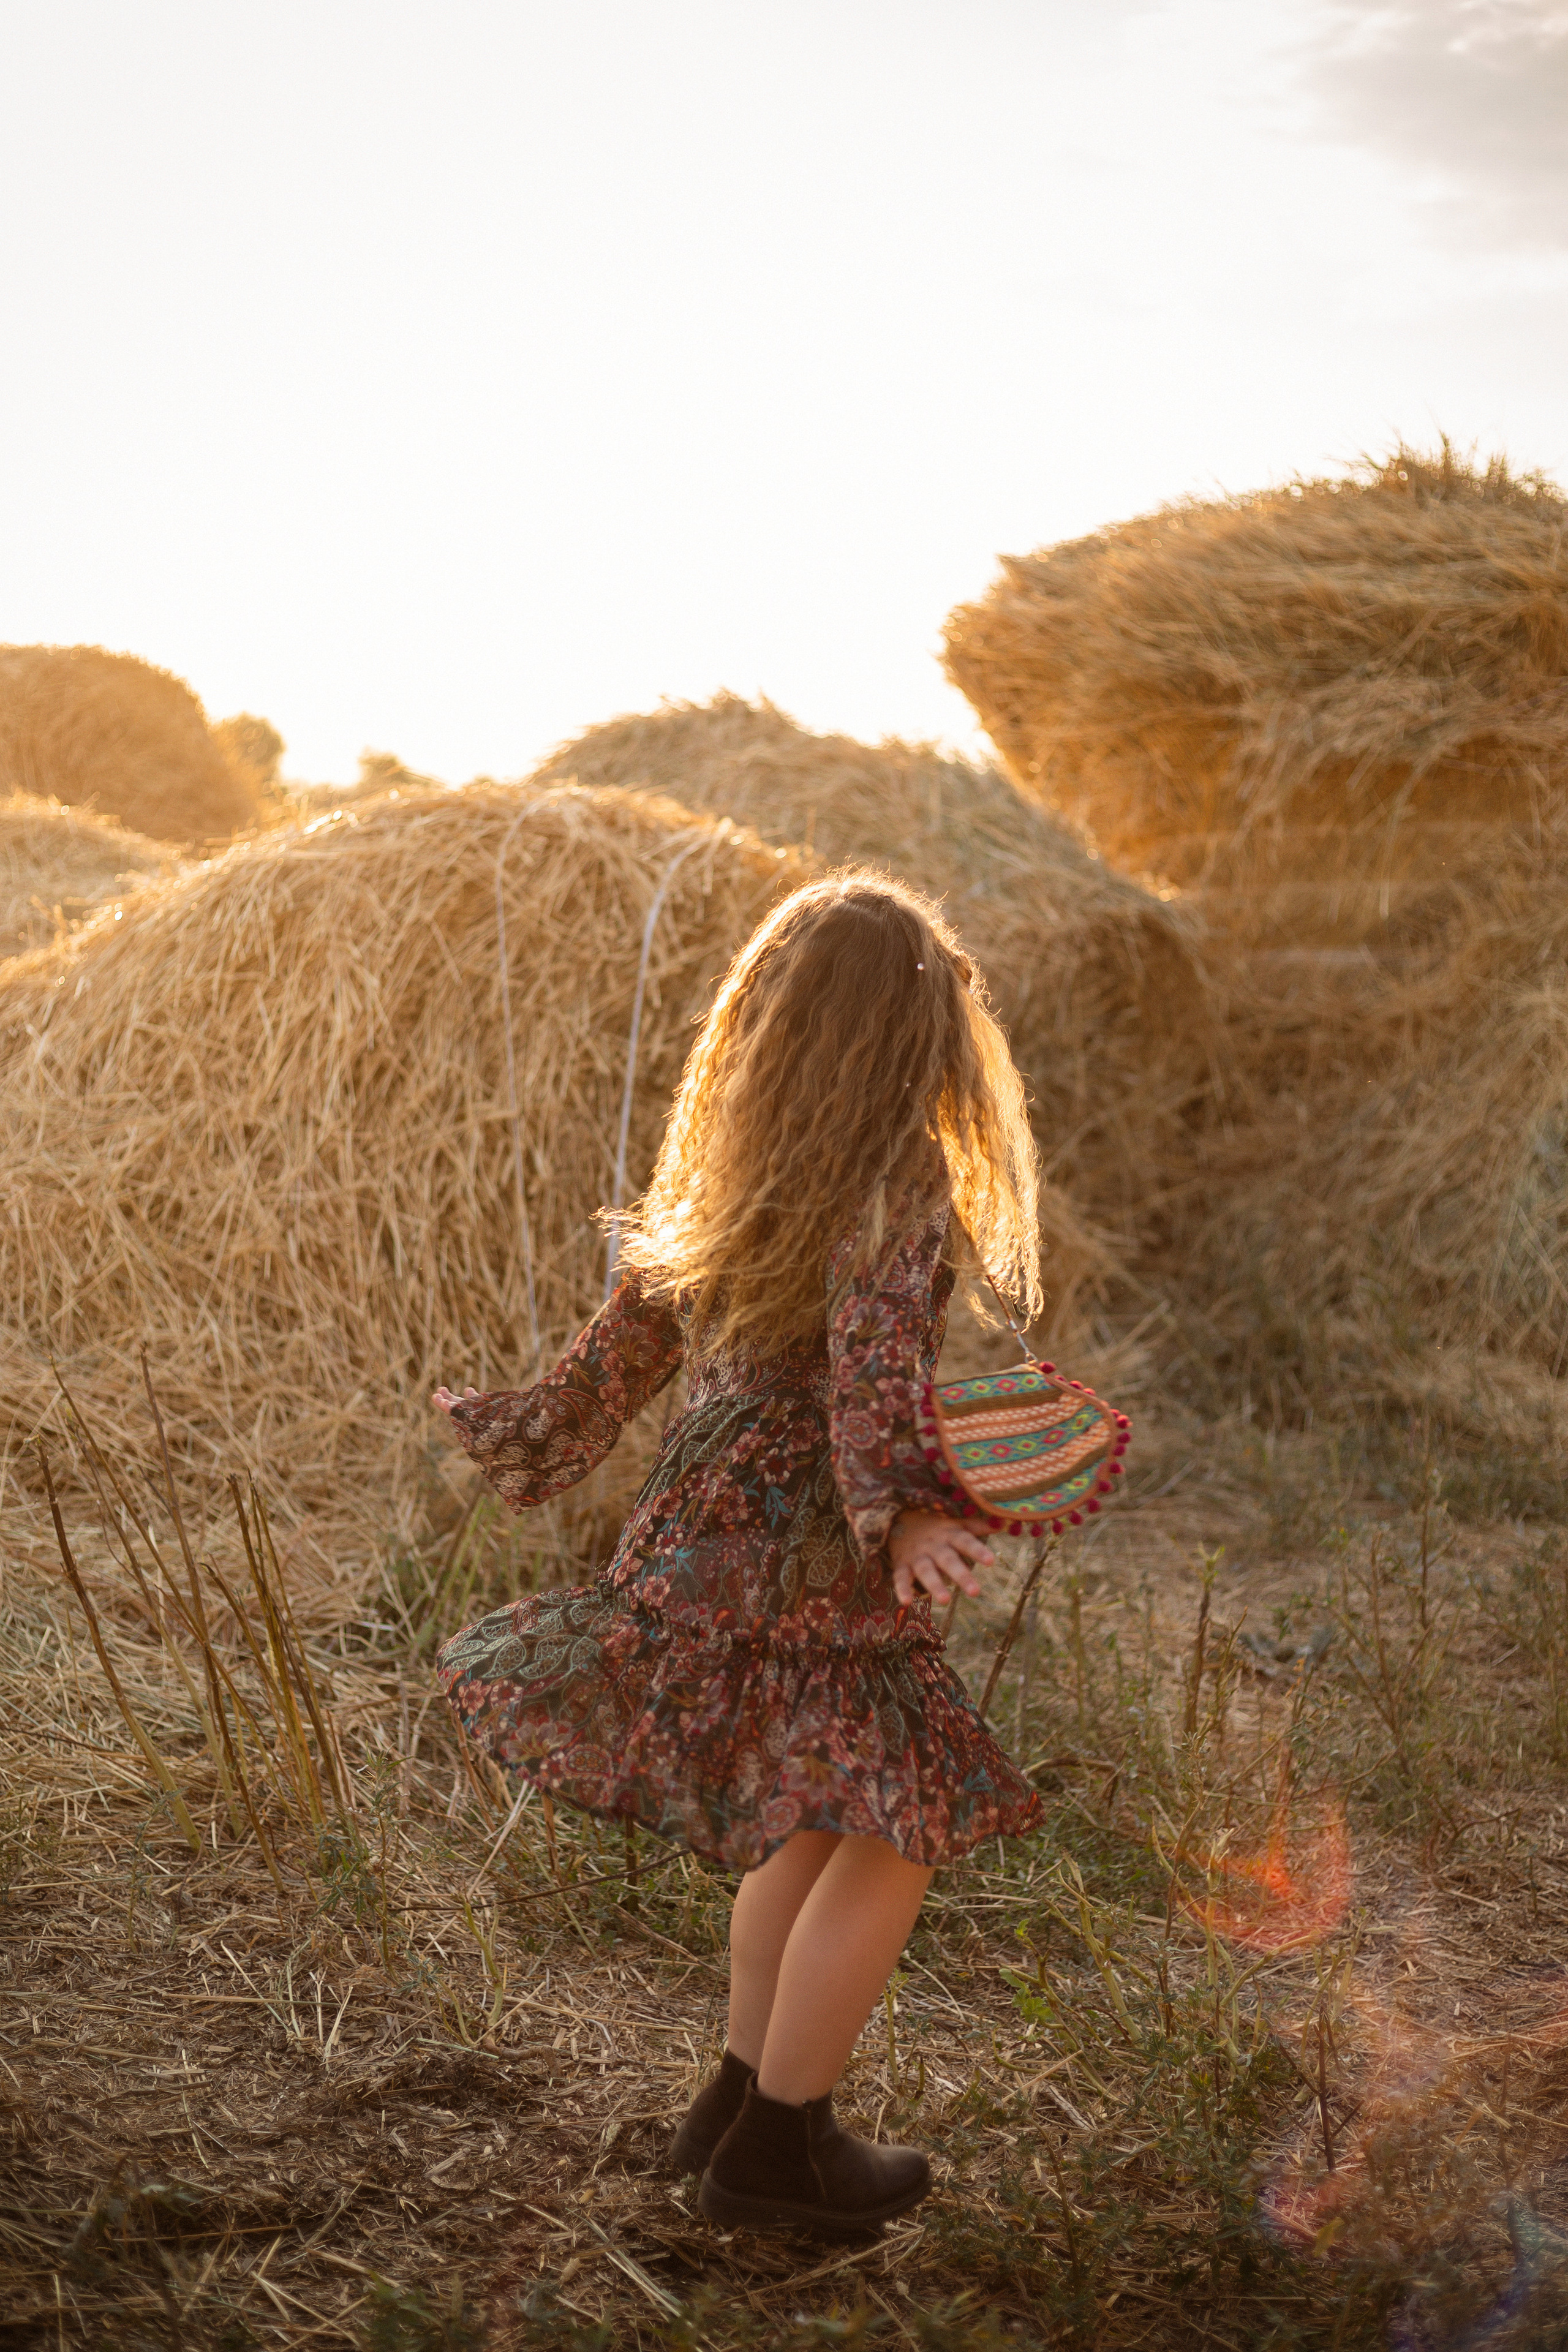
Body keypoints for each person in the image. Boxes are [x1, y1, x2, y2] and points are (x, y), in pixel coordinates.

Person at [432, 872, 1044, 2243]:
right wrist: (904, 1511)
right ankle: (780, 2150)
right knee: (893, 1826)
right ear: (916, 1041)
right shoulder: (900, 1175)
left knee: (821, 1809)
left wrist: (532, 1432)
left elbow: (629, 1346)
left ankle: (730, 2102)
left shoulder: (736, 1162)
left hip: (704, 1519)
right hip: (811, 1531)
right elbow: (876, 1363)